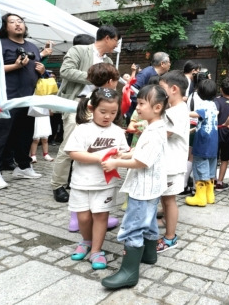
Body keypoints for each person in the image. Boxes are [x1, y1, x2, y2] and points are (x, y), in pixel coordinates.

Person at [100, 85, 169, 289]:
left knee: (133, 226)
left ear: (156, 107)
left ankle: (129, 272)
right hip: (151, 187)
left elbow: (143, 162)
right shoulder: (154, 126)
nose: (136, 107)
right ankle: (149, 255)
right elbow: (141, 151)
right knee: (148, 222)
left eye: (141, 103)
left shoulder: (155, 131)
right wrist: (126, 154)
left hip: (144, 187)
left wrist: (116, 163)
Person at [51, 26, 119, 202]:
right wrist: (94, 77)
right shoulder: (79, 50)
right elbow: (65, 71)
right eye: (116, 40)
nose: (116, 45)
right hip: (76, 103)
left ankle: (80, 181)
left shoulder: (109, 62)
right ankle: (58, 185)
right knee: (69, 146)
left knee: (93, 146)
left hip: (97, 107)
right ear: (107, 38)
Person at [63, 87, 129, 270]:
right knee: (83, 218)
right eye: (103, 112)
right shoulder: (82, 129)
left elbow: (124, 153)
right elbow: (73, 152)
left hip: (105, 184)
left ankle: (96, 251)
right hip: (81, 183)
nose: (108, 116)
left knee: (101, 216)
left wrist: (124, 157)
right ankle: (86, 241)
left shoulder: (117, 132)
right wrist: (101, 157)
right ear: (92, 109)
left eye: (113, 113)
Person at [0, 13, 52, 189]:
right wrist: (15, 66)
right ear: (5, 27)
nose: (17, 25)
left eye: (20, 21)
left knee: (25, 135)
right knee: (0, 136)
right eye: (12, 22)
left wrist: (42, 69)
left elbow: (35, 69)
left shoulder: (32, 47)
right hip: (4, 98)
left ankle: (23, 166)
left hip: (27, 98)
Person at [66, 62, 121, 232]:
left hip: (87, 162)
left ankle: (81, 217)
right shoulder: (97, 101)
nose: (107, 116)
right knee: (82, 182)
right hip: (87, 158)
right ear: (111, 81)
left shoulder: (89, 97)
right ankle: (80, 218)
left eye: (112, 113)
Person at [156, 71, 189, 252]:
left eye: (162, 89)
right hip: (167, 162)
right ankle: (166, 223)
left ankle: (170, 237)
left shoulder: (177, 111)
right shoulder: (174, 109)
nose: (160, 93)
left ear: (174, 89)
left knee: (169, 200)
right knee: (165, 197)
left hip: (172, 163)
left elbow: (165, 133)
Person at [185, 78, 219, 207]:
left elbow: (197, 115)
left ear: (199, 92)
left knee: (200, 168)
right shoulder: (213, 104)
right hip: (213, 143)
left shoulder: (203, 105)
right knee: (210, 169)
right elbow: (207, 120)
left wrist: (183, 112)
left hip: (203, 143)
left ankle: (200, 197)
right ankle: (210, 196)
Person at [124, 53, 170, 144]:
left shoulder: (155, 74)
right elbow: (132, 90)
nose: (170, 64)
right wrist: (141, 105)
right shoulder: (146, 72)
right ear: (162, 64)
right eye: (169, 62)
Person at [213, 77, 229, 191]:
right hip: (228, 134)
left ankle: (213, 180)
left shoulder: (216, 101)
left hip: (216, 133)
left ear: (221, 89)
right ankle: (220, 182)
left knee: (214, 158)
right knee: (225, 159)